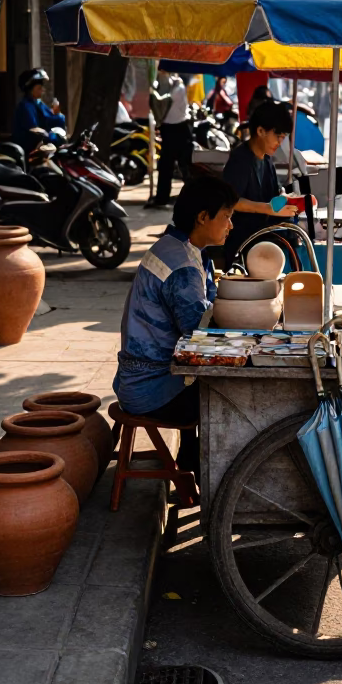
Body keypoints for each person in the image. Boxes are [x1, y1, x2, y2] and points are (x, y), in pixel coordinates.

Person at [114, 169, 238, 490]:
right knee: (235, 393)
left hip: (140, 378)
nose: (230, 225)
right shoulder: (182, 268)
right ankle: (213, 478)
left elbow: (207, 307)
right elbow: (199, 341)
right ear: (202, 217)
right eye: (226, 217)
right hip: (150, 389)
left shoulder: (181, 247)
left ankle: (192, 458)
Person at [221, 99, 299, 266]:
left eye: (283, 138)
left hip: (264, 237)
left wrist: (285, 197)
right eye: (278, 137)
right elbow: (231, 201)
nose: (279, 143)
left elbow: (274, 192)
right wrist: (266, 208)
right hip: (243, 242)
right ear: (261, 131)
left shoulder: (266, 160)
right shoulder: (240, 160)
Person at [147, 71, 191, 209]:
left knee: (184, 167)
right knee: (167, 166)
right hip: (171, 129)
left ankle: (190, 196)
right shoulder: (172, 88)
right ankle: (162, 197)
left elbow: (162, 100)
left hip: (178, 129)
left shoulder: (178, 89)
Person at [12, 68, 67, 154]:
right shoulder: (25, 106)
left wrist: (57, 114)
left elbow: (50, 118)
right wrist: (48, 135)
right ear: (30, 89)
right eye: (39, 88)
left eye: (42, 87)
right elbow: (34, 130)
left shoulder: (39, 103)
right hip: (29, 151)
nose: (42, 90)